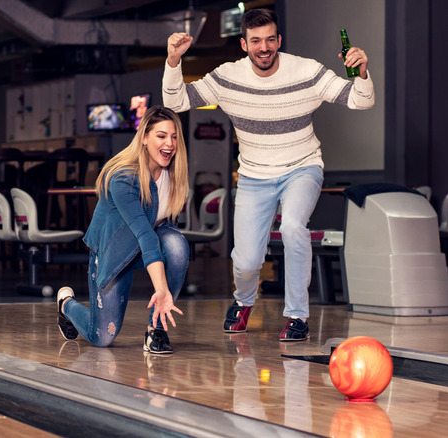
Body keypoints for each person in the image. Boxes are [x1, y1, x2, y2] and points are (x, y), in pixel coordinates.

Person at [162, 8, 375, 341]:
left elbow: (361, 102)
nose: (264, 47)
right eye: (256, 41)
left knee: (292, 227)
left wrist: (361, 73)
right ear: (244, 45)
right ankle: (244, 301)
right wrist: (174, 62)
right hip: (253, 175)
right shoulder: (227, 77)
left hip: (302, 166)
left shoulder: (306, 71)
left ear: (279, 40)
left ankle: (296, 315)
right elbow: (175, 102)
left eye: (270, 39)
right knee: (246, 262)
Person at [57, 106, 191, 354]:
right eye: (161, 136)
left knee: (176, 244)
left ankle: (155, 330)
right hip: (114, 252)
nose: (170, 144)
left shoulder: (173, 173)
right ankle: (66, 305)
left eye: (174, 137)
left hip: (144, 250)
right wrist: (161, 289)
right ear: (144, 138)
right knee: (103, 337)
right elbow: (145, 234)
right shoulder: (123, 177)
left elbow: (164, 230)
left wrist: (163, 290)